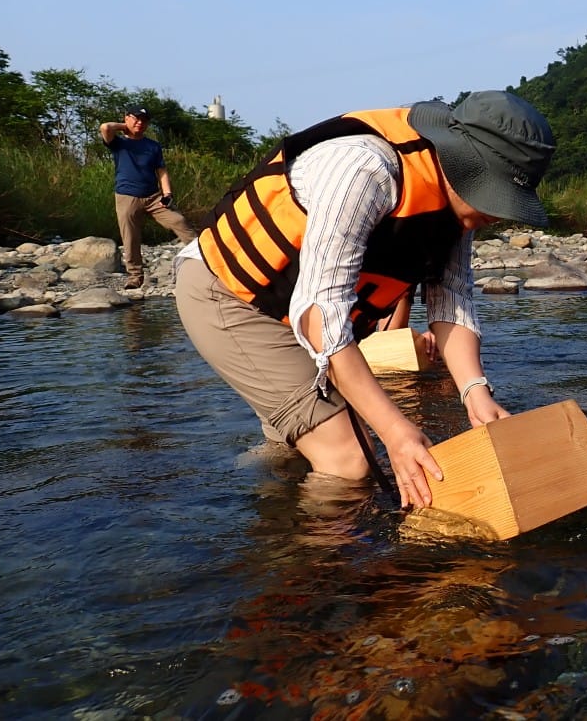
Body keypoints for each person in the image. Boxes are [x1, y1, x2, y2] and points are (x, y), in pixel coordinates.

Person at [173, 91, 556, 508]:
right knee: (352, 458)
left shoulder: (459, 208)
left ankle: (272, 512)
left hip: (297, 315)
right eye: (491, 194)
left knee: (301, 449)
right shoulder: (365, 168)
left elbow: (452, 299)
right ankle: (315, 572)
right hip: (233, 296)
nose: (495, 214)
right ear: (457, 159)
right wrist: (395, 432)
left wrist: (475, 392)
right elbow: (324, 316)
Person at [99, 106, 196, 289]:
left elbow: (161, 171)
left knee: (179, 221)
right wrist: (125, 126)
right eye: (136, 118)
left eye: (144, 120)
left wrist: (167, 193)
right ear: (126, 118)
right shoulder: (119, 143)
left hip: (153, 197)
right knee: (130, 237)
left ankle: (205, 258)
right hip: (127, 196)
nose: (140, 123)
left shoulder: (152, 146)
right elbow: (105, 127)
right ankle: (135, 276)